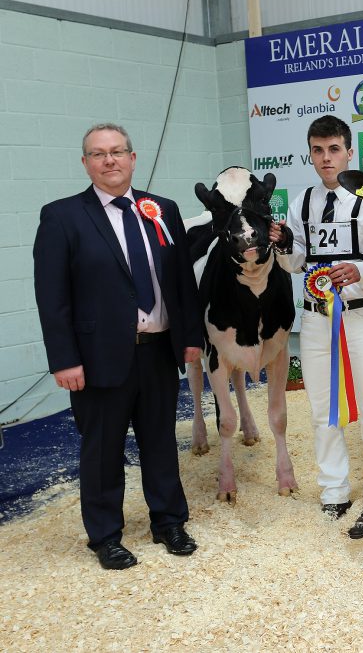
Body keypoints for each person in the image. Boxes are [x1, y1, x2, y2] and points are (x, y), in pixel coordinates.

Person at [33, 123, 204, 570]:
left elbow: (181, 282)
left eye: (117, 151)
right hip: (97, 359)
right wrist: (64, 359)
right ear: (86, 163)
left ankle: (168, 522)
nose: (109, 160)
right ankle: (106, 536)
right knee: (102, 450)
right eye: (98, 154)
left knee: (162, 442)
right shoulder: (62, 216)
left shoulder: (161, 210)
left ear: (132, 157)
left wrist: (189, 337)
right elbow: (52, 298)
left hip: (158, 351)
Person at [270, 115, 363, 539]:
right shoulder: (303, 202)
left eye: (333, 149)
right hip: (313, 318)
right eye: (317, 150)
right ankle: (334, 490)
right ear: (310, 154)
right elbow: (294, 264)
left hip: (359, 316)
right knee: (321, 407)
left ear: (350, 152)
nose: (325, 158)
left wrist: (360, 269)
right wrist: (284, 245)